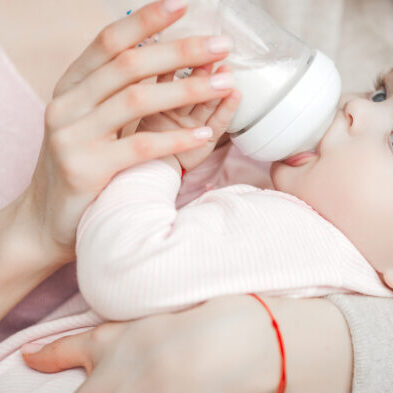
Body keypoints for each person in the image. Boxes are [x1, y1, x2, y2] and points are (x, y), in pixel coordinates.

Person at [0, 1, 392, 392]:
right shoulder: (320, 255)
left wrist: (159, 162)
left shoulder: (300, 235)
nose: (355, 106)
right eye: (380, 93)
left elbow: (129, 270)